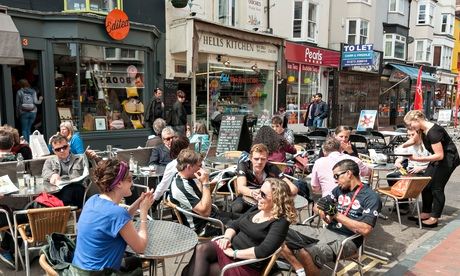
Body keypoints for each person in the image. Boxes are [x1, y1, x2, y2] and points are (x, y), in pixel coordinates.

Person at [282, 159, 382, 276]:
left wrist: (335, 214)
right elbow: (317, 205)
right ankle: (298, 268)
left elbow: (366, 230)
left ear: (349, 174)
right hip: (326, 231)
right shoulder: (339, 189)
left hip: (347, 240)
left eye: (336, 176)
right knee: (280, 229)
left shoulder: (371, 197)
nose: (335, 180)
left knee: (306, 252)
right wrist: (323, 214)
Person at [182, 178, 298, 276]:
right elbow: (235, 224)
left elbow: (263, 251)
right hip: (229, 247)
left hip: (245, 264)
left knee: (191, 271)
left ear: (276, 200)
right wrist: (226, 238)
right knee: (200, 249)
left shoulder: (280, 222)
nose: (257, 196)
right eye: (259, 192)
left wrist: (234, 253)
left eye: (263, 195)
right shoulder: (259, 208)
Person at [71, 159, 154, 274]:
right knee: (140, 266)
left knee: (134, 262)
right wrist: (144, 213)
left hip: (78, 270)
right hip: (98, 274)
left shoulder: (93, 200)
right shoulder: (117, 214)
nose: (132, 183)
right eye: (130, 179)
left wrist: (138, 203)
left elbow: (116, 220)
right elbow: (140, 247)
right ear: (119, 183)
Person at [402, 110, 460, 227]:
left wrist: (416, 159)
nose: (410, 127)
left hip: (447, 160)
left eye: (410, 124)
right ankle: (426, 213)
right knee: (425, 184)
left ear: (417, 120)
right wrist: (401, 147)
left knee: (436, 187)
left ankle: (434, 217)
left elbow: (440, 155)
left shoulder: (433, 132)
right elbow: (414, 140)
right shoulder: (421, 129)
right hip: (437, 159)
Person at [169, 149, 238, 237]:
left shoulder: (183, 177)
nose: (201, 169)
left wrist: (204, 183)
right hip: (202, 226)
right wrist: (205, 184)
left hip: (211, 216)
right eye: (199, 166)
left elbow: (201, 199)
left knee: (244, 218)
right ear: (189, 167)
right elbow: (205, 212)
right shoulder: (180, 187)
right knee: (242, 227)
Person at [232, 143, 298, 214]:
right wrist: (252, 193)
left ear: (267, 159)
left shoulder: (271, 168)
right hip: (246, 197)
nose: (259, 162)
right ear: (251, 158)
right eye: (256, 159)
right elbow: (241, 187)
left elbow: (293, 188)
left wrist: (275, 195)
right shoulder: (244, 165)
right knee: (237, 208)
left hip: (267, 200)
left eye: (263, 159)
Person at [386, 128, 430, 214]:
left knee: (402, 179)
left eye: (412, 135)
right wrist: (398, 161)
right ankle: (401, 202)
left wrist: (422, 168)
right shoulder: (410, 145)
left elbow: (435, 161)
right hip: (409, 171)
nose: (410, 137)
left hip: (422, 172)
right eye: (408, 135)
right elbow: (400, 153)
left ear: (419, 134)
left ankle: (403, 203)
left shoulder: (427, 146)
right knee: (391, 177)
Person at [42, 134, 88, 208]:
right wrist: (52, 175)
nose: (62, 150)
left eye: (64, 147)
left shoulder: (80, 159)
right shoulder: (50, 161)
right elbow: (45, 173)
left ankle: (63, 210)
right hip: (58, 191)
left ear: (69, 146)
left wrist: (94, 158)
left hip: (76, 191)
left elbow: (92, 171)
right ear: (54, 151)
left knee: (70, 190)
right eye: (58, 149)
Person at [152, 136, 190, 209]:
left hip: (180, 202)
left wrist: (153, 199)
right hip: (199, 197)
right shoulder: (199, 162)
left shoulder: (173, 165)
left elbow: (163, 185)